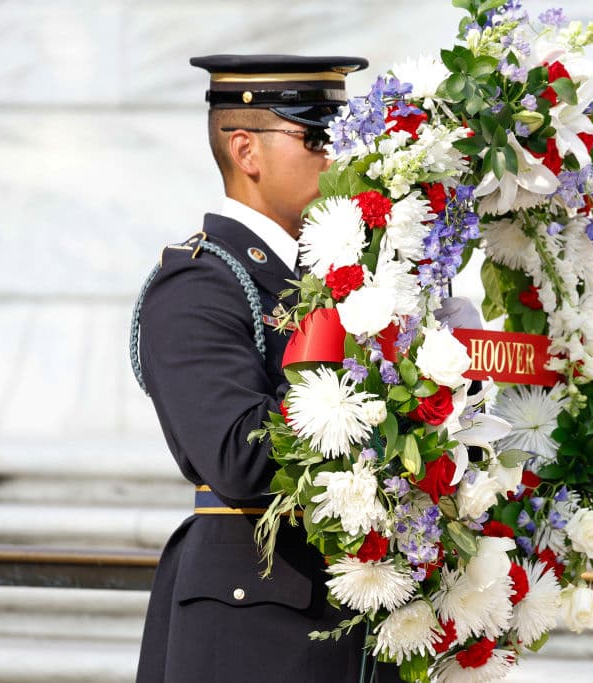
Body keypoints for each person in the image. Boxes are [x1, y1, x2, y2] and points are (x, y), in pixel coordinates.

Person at [129, 54, 404, 682]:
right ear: (246, 149)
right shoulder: (202, 281)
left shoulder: (338, 276)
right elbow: (239, 458)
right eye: (315, 137)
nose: (337, 156)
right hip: (256, 635)